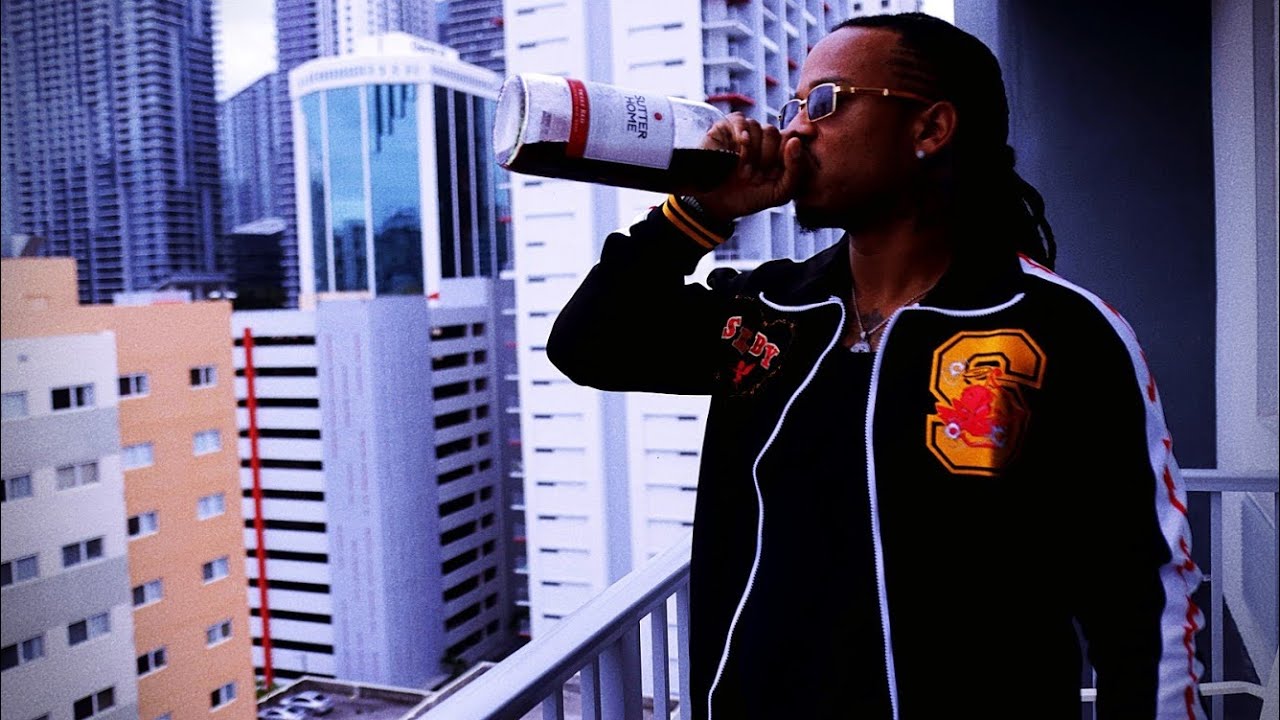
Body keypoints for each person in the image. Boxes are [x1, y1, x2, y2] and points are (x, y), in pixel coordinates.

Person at [545, 12, 1205, 720]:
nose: (796, 130)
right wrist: (699, 212)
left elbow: (1142, 596)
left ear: (931, 128)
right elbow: (590, 343)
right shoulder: (769, 311)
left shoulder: (1058, 330)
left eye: (826, 101)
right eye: (793, 106)